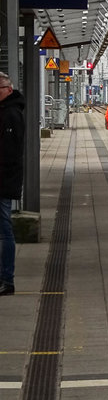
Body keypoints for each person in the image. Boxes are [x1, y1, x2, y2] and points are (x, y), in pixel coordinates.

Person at [0, 72, 26, 296]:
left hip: (3, 182)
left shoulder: (11, 114)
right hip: (5, 180)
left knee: (4, 230)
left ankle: (7, 280)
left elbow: (8, 153)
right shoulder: (7, 112)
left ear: (7, 90)